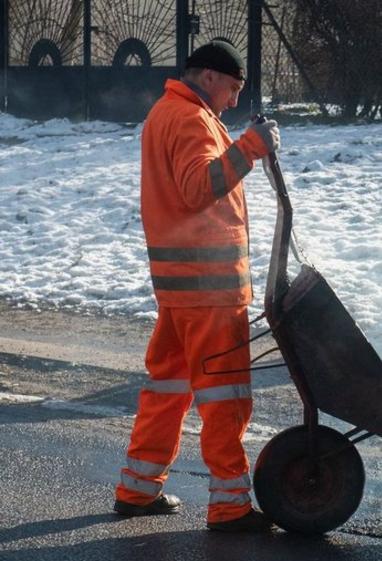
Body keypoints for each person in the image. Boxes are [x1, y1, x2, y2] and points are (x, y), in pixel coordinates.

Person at [113, 40, 280, 533]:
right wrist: (250, 147)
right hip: (208, 289)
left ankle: (138, 489)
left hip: (180, 287)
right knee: (224, 394)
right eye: (231, 88)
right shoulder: (189, 119)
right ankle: (230, 506)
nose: (233, 99)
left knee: (168, 388)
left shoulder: (168, 112)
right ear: (208, 77)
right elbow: (196, 188)